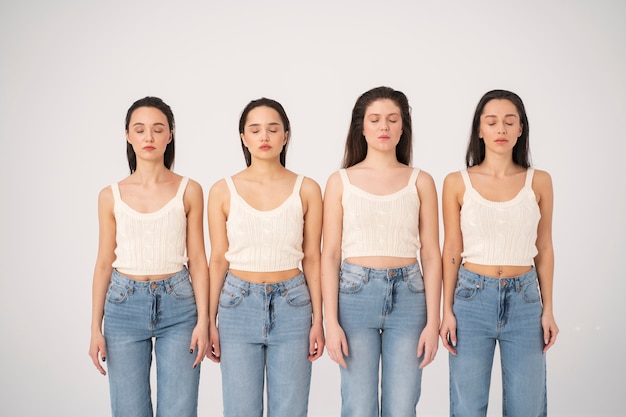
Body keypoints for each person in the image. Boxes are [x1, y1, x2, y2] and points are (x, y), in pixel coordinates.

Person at [321, 86, 442, 417]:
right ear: (361, 127)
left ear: (403, 127)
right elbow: (329, 254)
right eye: (375, 120)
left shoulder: (421, 181)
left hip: (410, 298)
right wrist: (330, 322)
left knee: (402, 407)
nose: (384, 127)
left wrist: (434, 322)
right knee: (358, 407)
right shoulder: (340, 181)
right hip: (354, 298)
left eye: (392, 120)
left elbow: (432, 254)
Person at [439, 89, 559, 416]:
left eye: (509, 122)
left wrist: (547, 310)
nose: (501, 130)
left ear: (521, 128)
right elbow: (451, 249)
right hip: (471, 299)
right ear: (480, 130)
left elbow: (544, 248)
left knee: (527, 405)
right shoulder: (456, 182)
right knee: (467, 406)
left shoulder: (540, 181)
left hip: (524, 301)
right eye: (492, 122)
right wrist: (446, 310)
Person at [88, 96, 209, 417]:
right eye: (139, 130)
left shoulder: (189, 189)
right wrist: (94, 328)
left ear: (170, 135)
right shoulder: (110, 195)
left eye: (158, 129)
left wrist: (205, 320)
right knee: (128, 409)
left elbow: (198, 260)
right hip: (123, 306)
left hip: (180, 306)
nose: (149, 137)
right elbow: (103, 263)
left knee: (180, 409)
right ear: (128, 135)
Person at [206, 98, 324, 417]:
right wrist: (208, 321)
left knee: (291, 409)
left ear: (286, 135)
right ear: (243, 137)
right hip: (236, 305)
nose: (265, 137)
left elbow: (313, 257)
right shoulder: (222, 190)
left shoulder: (308, 188)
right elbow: (217, 259)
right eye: (255, 130)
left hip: (293, 305)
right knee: (240, 409)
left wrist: (319, 319)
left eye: (273, 129)